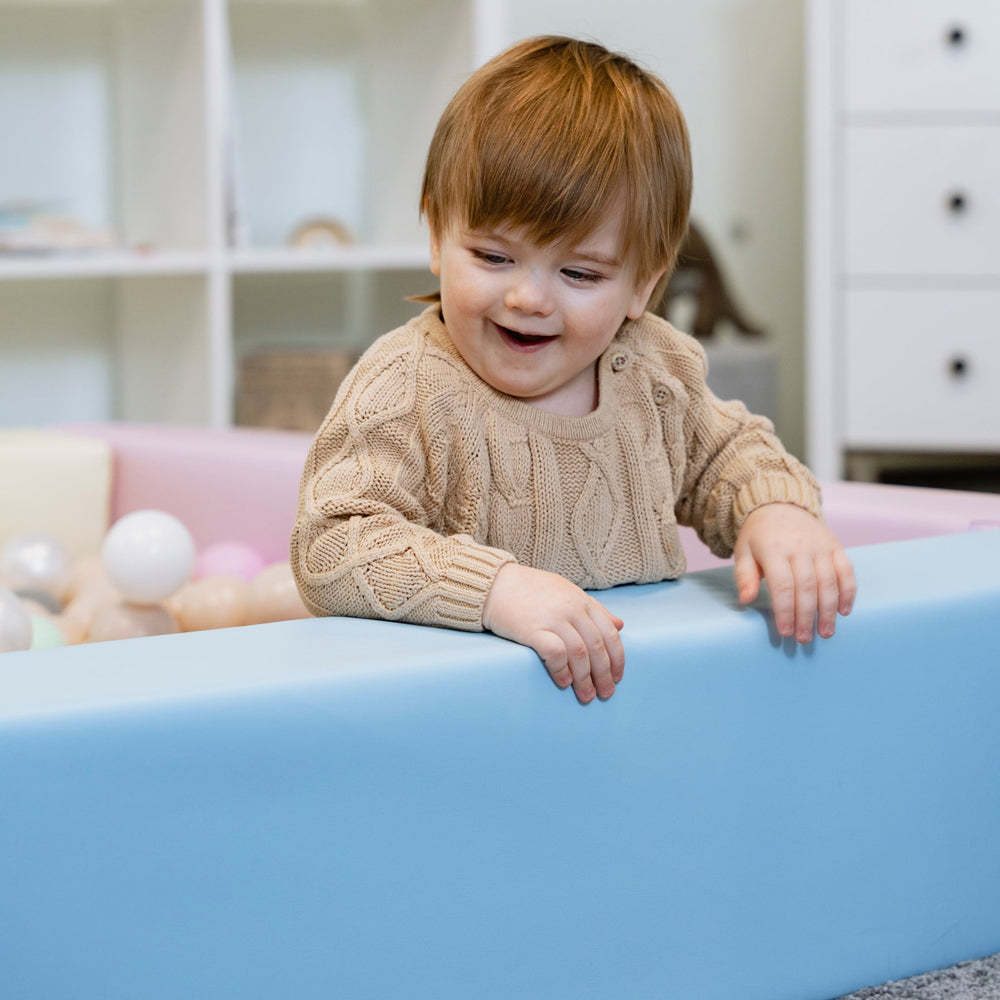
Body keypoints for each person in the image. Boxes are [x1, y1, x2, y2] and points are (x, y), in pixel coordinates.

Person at [290, 35, 856, 704]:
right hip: (463, 715)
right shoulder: (409, 385)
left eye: (580, 273)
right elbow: (332, 544)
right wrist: (496, 590)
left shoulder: (650, 369)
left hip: (633, 701)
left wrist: (776, 513)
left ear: (642, 288)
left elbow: (727, 454)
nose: (529, 298)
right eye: (493, 257)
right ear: (438, 237)